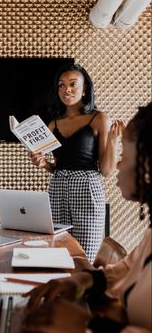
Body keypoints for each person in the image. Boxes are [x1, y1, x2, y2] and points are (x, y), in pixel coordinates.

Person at [22, 102, 152, 333]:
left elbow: (105, 168)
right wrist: (84, 280)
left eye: (125, 154)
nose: (119, 163)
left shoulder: (98, 119)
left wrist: (87, 324)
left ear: (148, 166)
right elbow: (126, 269)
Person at [29, 60, 124, 263]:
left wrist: (114, 142)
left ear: (85, 89)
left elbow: (106, 171)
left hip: (87, 189)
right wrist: (43, 164)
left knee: (84, 257)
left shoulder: (99, 118)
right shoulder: (53, 123)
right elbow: (58, 166)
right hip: (58, 189)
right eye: (61, 85)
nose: (67, 90)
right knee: (58, 254)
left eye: (73, 84)